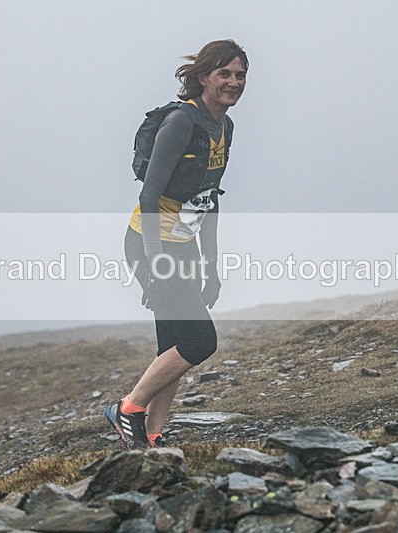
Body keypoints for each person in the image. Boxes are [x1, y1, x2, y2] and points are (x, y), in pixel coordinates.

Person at [104, 39, 248, 448]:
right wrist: (155, 266)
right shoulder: (182, 123)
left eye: (240, 75)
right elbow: (149, 197)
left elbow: (209, 200)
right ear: (203, 77)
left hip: (183, 244)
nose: (233, 82)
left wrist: (213, 269)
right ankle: (127, 408)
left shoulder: (225, 127)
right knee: (201, 341)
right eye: (224, 74)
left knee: (172, 345)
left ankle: (150, 434)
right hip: (151, 243)